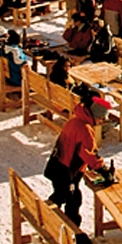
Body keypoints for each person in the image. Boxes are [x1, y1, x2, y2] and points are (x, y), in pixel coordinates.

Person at [43, 85, 111, 233]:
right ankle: (70, 231)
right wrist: (103, 170)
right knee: (70, 200)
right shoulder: (85, 129)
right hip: (65, 172)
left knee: (67, 197)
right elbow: (89, 155)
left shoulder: (74, 121)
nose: (101, 121)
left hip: (57, 165)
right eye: (100, 118)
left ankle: (64, 227)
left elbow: (77, 150)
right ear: (94, 115)